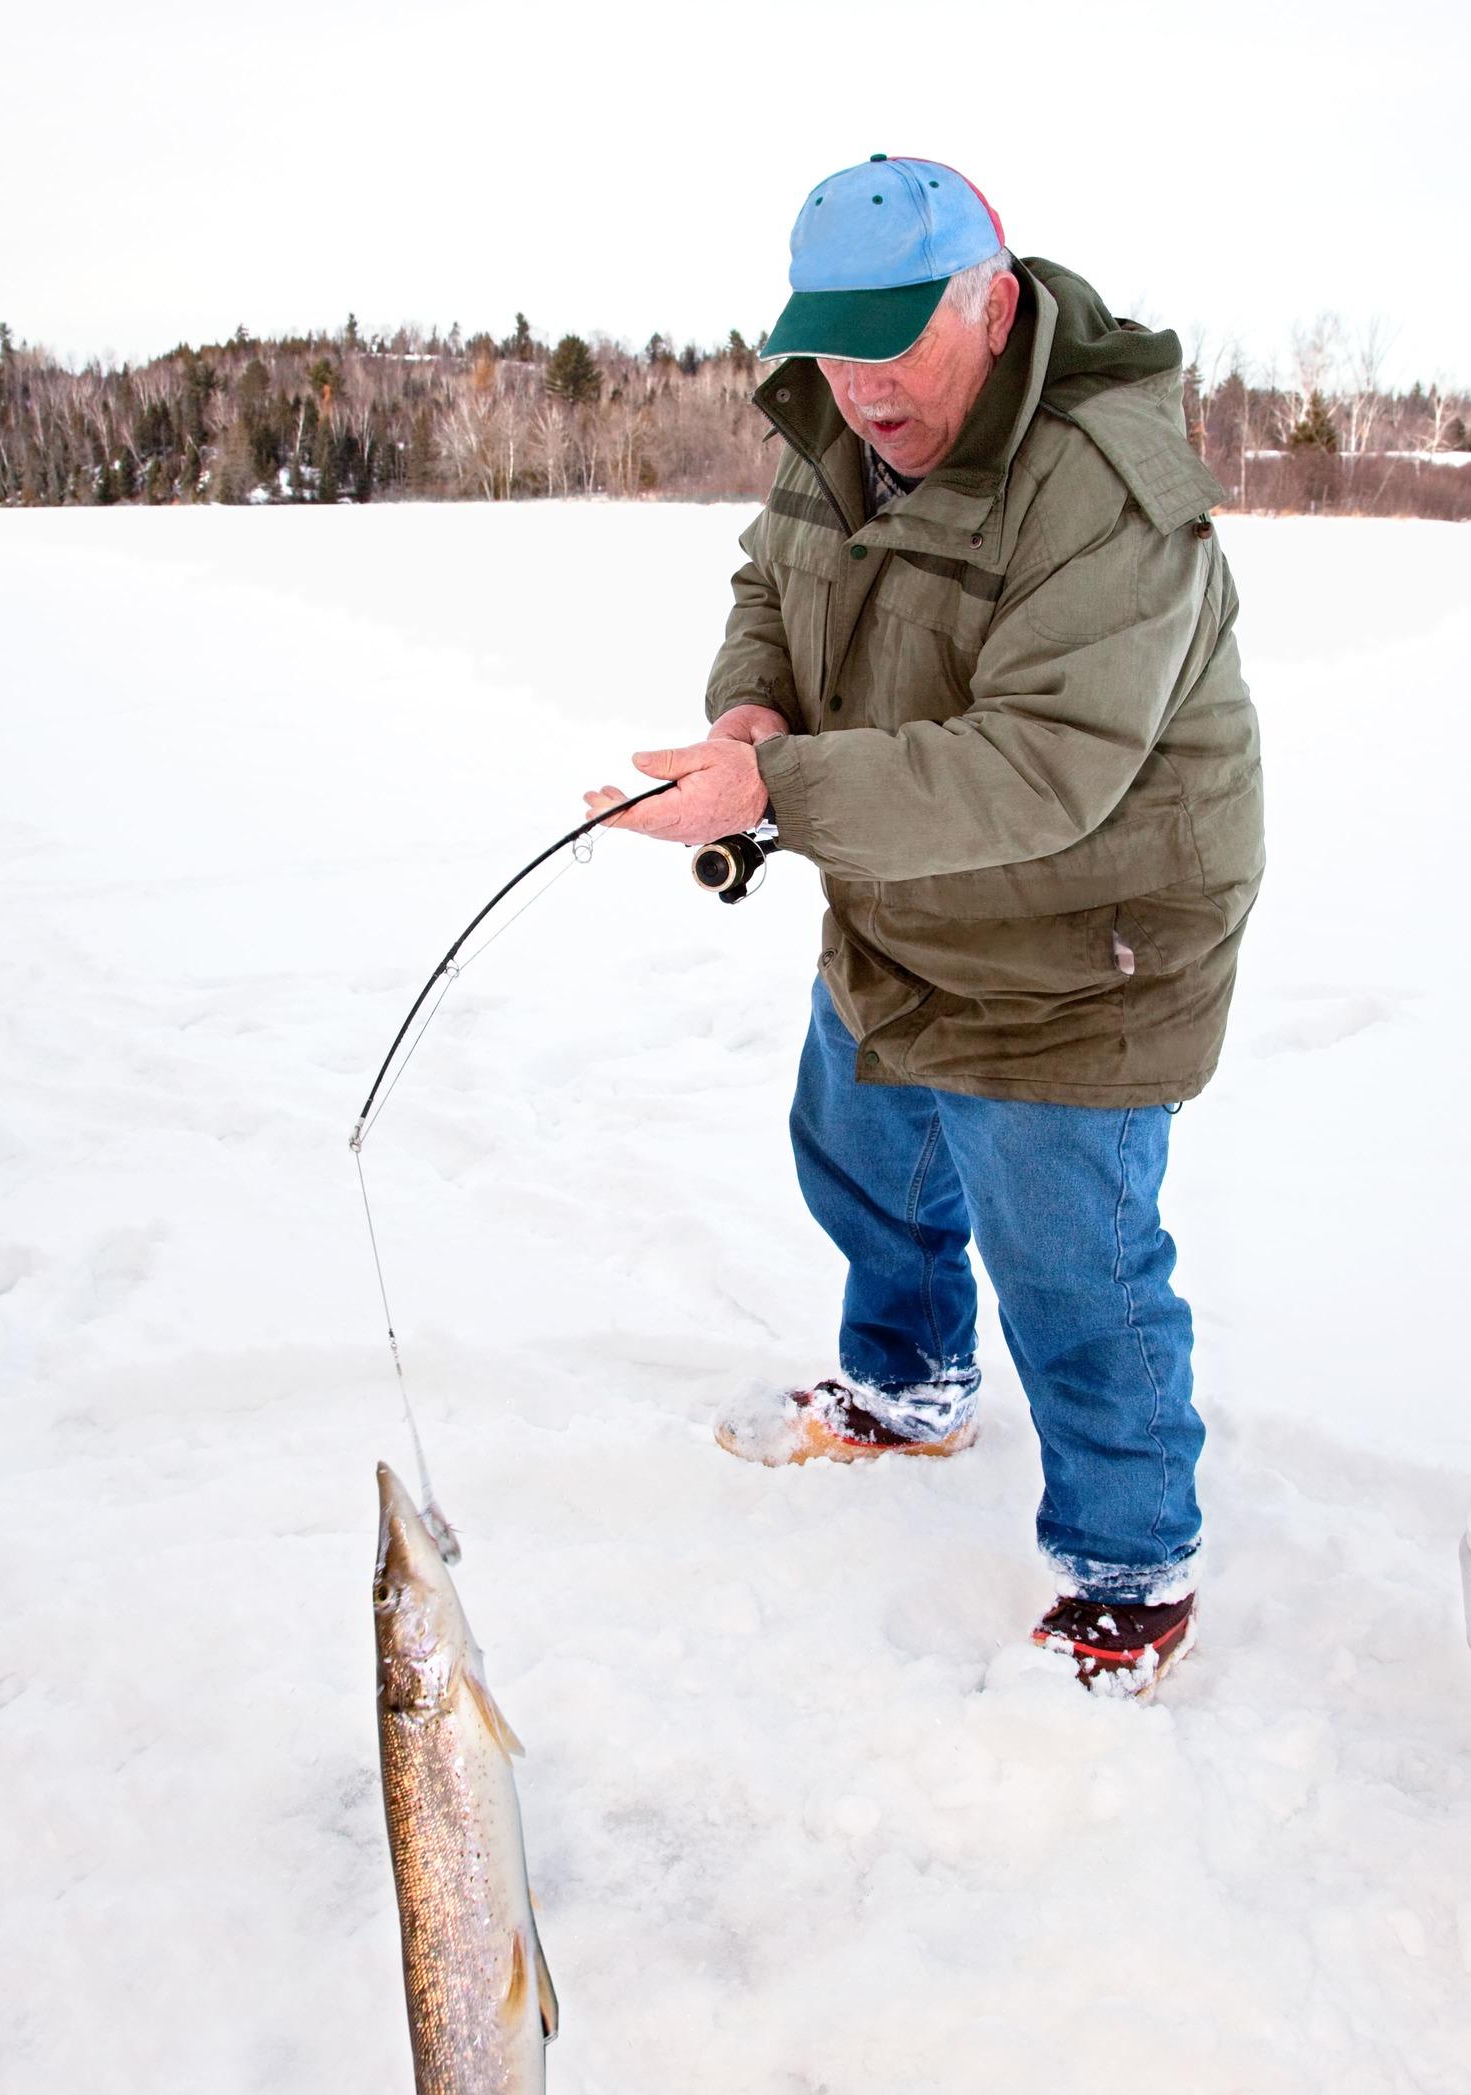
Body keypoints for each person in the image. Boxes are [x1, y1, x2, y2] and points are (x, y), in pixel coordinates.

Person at [586, 155, 1263, 1697]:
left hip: (1085, 936)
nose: (864, 391)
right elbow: (774, 577)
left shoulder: (1104, 486)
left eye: (899, 350)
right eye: (836, 350)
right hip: (907, 891)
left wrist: (780, 784)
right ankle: (907, 1384)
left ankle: (1128, 1568)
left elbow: (1046, 768)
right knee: (861, 1150)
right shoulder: (839, 427)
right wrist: (750, 706)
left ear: (996, 303)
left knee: (1074, 1269)